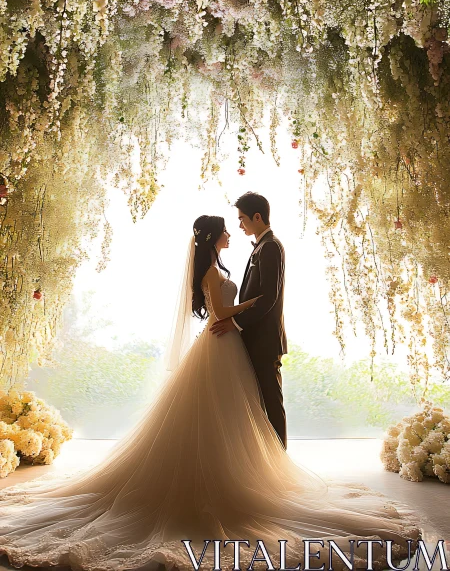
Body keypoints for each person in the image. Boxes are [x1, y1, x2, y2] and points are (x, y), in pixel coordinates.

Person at [0, 214, 421, 571]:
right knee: (214, 414)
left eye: (235, 224)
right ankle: (218, 482)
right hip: (220, 344)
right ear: (213, 237)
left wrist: (245, 309)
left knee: (231, 417)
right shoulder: (210, 270)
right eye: (226, 228)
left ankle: (243, 472)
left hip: (225, 346)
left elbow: (219, 309)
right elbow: (219, 312)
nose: (232, 232)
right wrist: (249, 305)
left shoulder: (219, 264)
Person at [210, 192, 287, 449]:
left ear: (257, 217)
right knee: (259, 405)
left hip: (264, 340)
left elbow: (268, 298)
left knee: (271, 403)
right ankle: (267, 463)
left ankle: (280, 465)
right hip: (253, 338)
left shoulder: (271, 247)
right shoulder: (261, 247)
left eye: (242, 219)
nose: (240, 225)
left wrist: (235, 323)